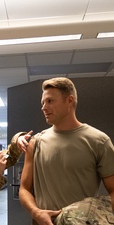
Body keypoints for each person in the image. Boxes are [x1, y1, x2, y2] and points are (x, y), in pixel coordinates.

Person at [19, 77, 114, 225]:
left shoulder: (99, 141)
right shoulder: (35, 143)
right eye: (43, 102)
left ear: (70, 101)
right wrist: (35, 212)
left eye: (50, 101)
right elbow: (24, 189)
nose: (44, 107)